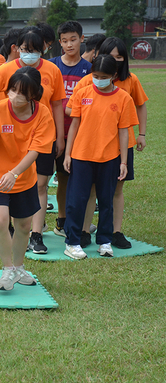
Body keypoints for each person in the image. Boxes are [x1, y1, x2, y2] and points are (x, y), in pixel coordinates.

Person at [0, 66, 55, 290]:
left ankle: (18, 267)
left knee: (24, 225)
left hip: (24, 178)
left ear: (34, 94)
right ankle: (8, 270)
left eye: (22, 93)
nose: (15, 96)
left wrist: (15, 173)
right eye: (12, 90)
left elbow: (35, 150)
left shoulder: (43, 113)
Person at [0, 28, 66, 255]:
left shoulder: (52, 70)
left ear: (45, 49)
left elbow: (57, 103)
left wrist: (59, 136)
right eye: (25, 50)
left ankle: (36, 234)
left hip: (41, 136)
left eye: (35, 50)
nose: (30, 54)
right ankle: (12, 228)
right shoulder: (7, 70)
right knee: (12, 184)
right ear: (17, 48)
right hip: (10, 140)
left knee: (40, 184)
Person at [70, 37, 148, 249]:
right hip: (92, 146)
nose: (114, 60)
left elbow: (140, 106)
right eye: (110, 56)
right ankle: (85, 230)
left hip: (120, 147)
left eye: (119, 57)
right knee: (91, 190)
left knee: (115, 190)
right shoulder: (89, 81)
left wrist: (141, 134)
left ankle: (115, 231)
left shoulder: (130, 80)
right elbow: (73, 109)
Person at [63, 55, 138, 259]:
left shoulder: (124, 98)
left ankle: (105, 241)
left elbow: (124, 131)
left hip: (110, 158)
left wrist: (123, 161)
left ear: (114, 76)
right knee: (76, 201)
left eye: (104, 76)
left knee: (106, 201)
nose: (99, 79)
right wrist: (68, 154)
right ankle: (72, 242)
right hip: (81, 156)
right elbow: (75, 125)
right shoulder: (82, 93)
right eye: (95, 75)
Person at [48, 21, 92, 240]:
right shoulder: (51, 65)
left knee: (75, 180)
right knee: (55, 179)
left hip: (79, 135)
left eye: (73, 39)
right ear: (59, 43)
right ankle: (61, 219)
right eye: (64, 41)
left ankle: (79, 222)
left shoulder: (90, 70)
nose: (69, 44)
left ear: (82, 39)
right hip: (52, 134)